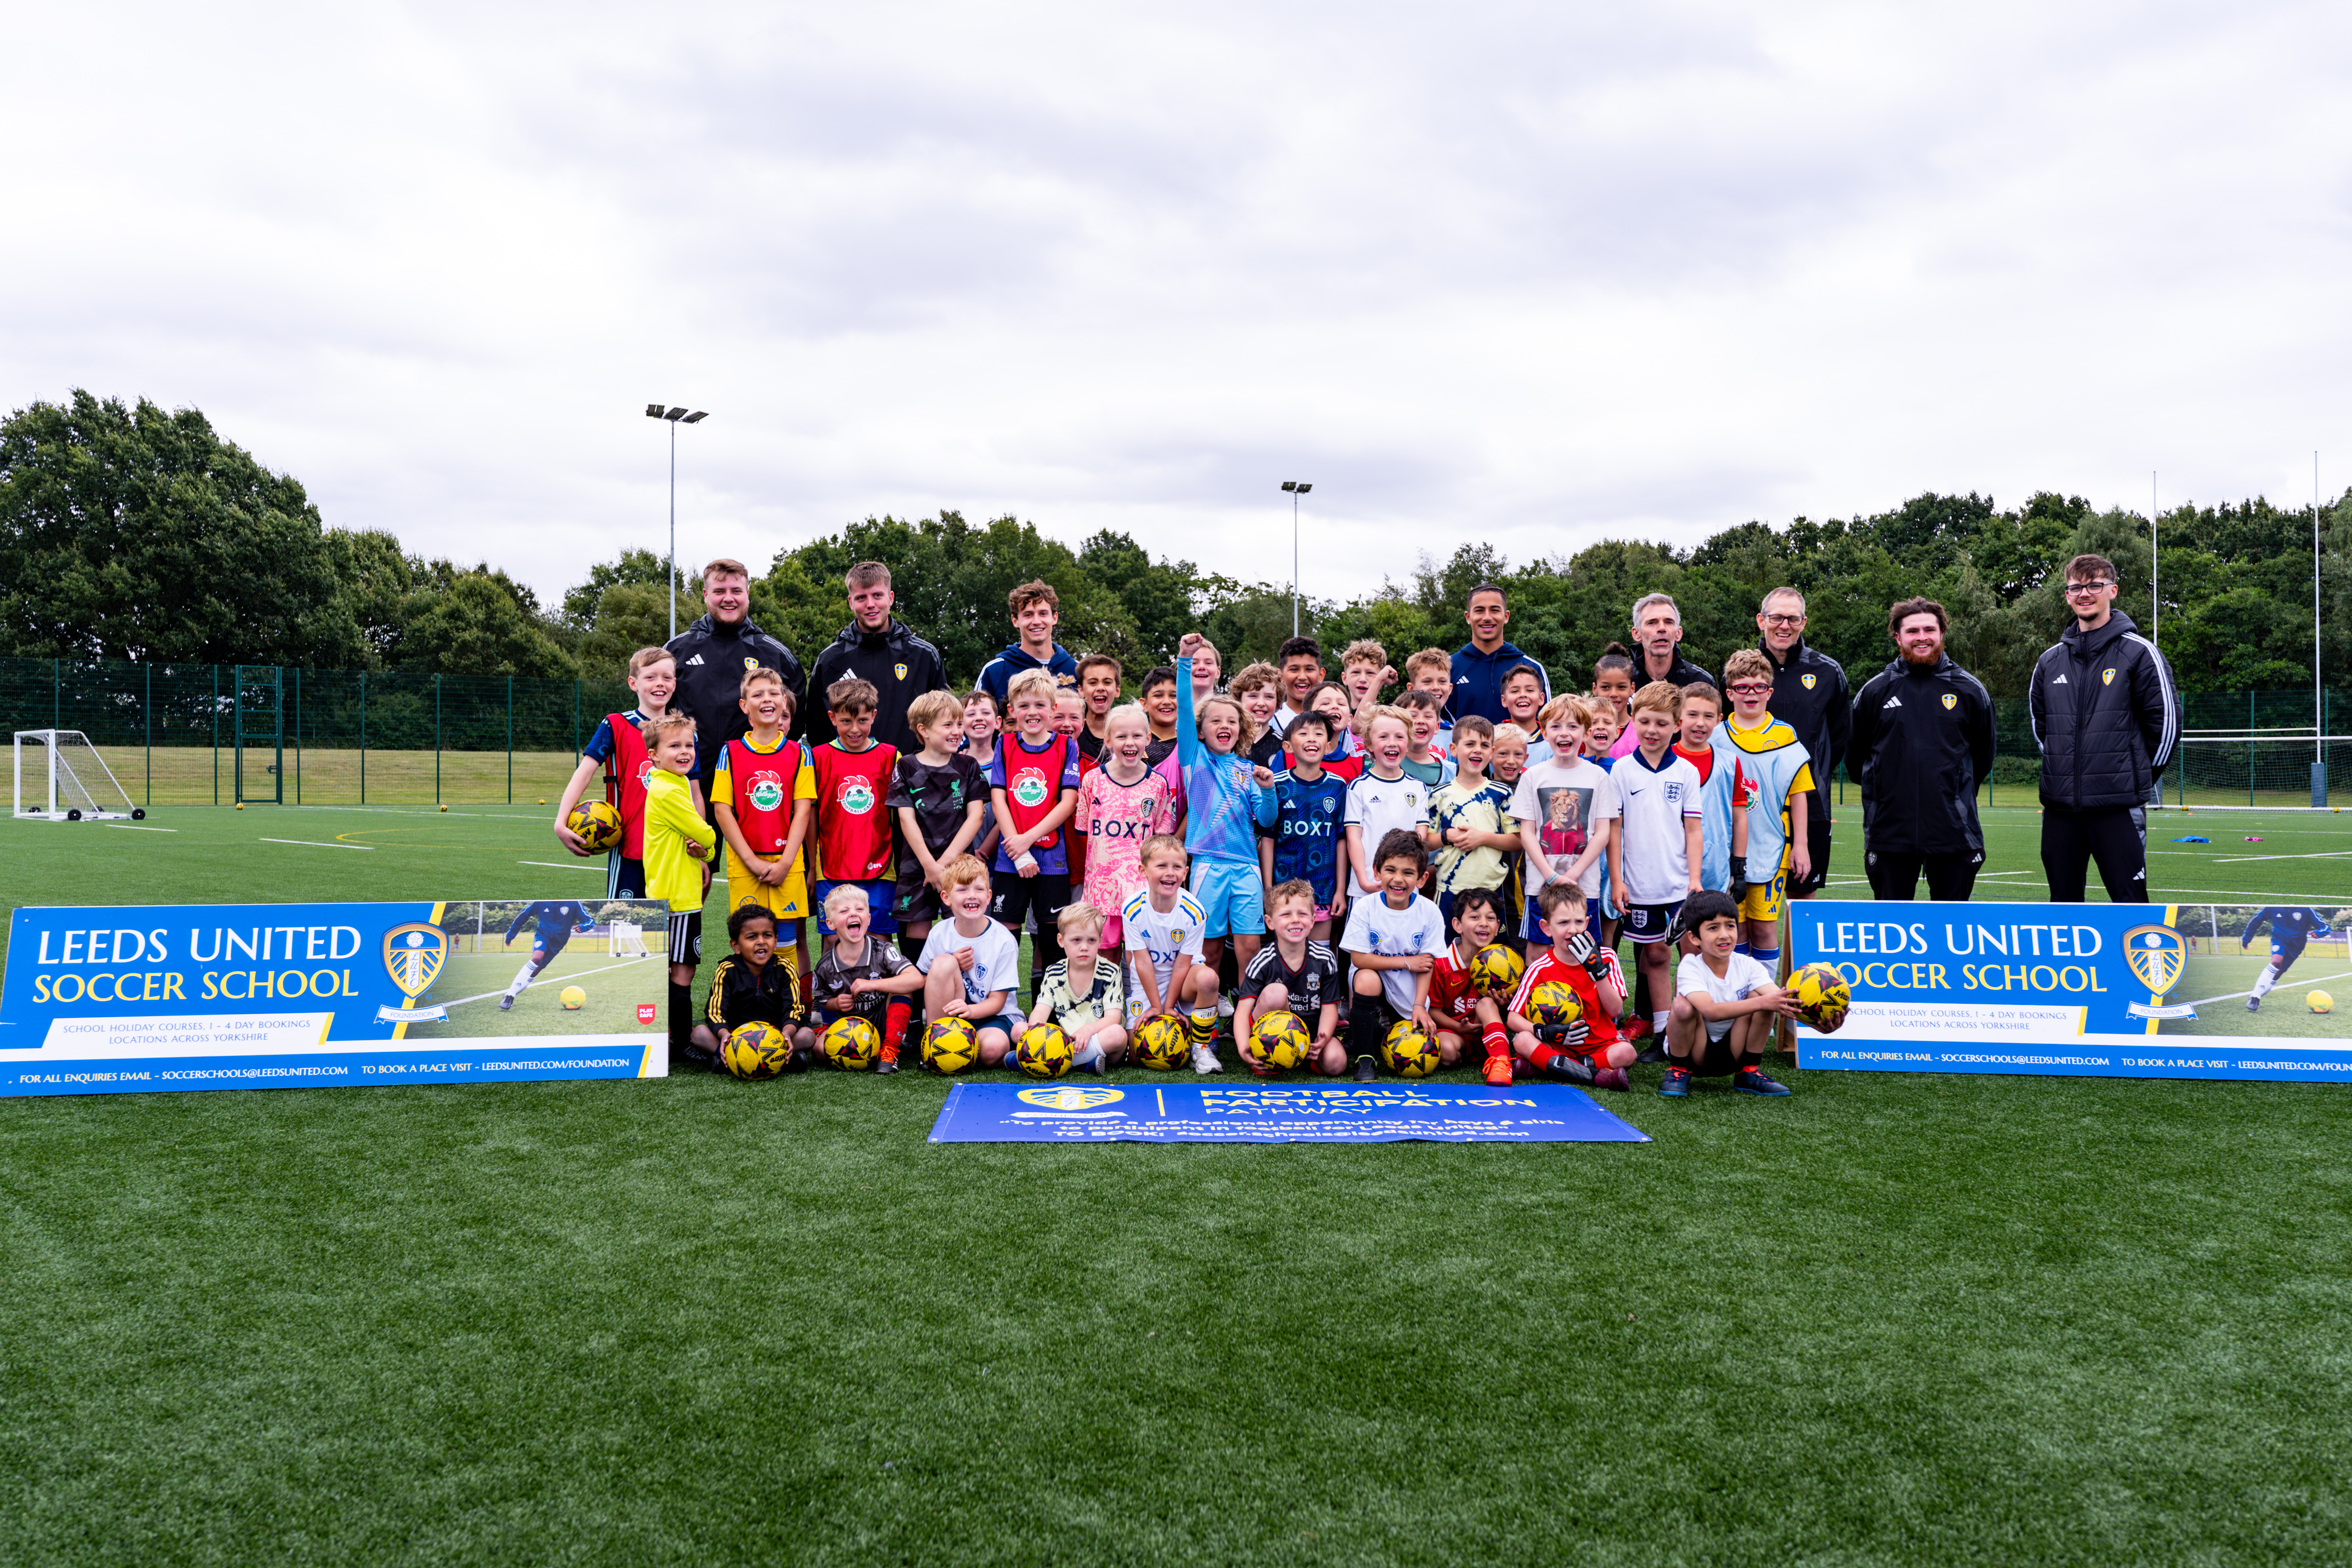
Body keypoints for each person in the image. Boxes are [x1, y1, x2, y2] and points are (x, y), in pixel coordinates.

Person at [2029, 553, 2180, 903]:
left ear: (2113, 590)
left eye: (2095, 585)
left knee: (2130, 904)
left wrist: (2134, 777)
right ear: (2067, 595)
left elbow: (2166, 728)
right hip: (2060, 808)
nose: (2085, 593)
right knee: (2063, 906)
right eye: (2076, 587)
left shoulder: (2140, 653)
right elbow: (2042, 728)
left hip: (2118, 806)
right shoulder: (2049, 661)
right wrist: (2067, 771)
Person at [1849, 597, 1997, 902]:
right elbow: (1855, 761)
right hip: (1889, 834)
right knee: (1892, 927)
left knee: (1952, 927)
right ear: (1898, 637)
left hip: (1954, 834)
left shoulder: (1970, 690)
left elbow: (1983, 758)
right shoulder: (1875, 691)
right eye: (1912, 631)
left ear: (1942, 633)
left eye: (1929, 630)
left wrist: (1952, 794)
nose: (1922, 637)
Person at [1174, 635, 1276, 1006]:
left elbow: (1267, 819)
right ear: (1200, 730)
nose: (1225, 725)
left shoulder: (1249, 770)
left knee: (1250, 947)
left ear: (1241, 729)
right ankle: (1208, 1011)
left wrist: (1268, 790)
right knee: (1210, 949)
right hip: (1207, 865)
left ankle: (1248, 1012)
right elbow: (1185, 707)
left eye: (1232, 721)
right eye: (1216, 720)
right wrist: (1185, 661)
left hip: (1247, 867)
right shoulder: (1194, 757)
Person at [710, 668, 817, 998]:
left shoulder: (801, 753)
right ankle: (751, 1010)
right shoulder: (730, 752)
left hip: (788, 865)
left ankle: (791, 1011)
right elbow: (723, 811)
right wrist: (751, 861)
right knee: (752, 942)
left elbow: (803, 811)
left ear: (784, 701)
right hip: (747, 866)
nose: (766, 700)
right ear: (745, 705)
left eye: (773, 693)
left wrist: (786, 862)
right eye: (757, 695)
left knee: (785, 944)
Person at [553, 645, 683, 898]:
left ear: (675, 684)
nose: (660, 683)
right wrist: (561, 821)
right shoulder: (615, 725)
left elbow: (694, 790)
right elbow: (584, 772)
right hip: (629, 848)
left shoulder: (684, 733)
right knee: (622, 919)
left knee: (670, 921)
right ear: (633, 683)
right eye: (651, 677)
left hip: (674, 849)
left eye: (667, 677)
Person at [1614, 682, 1705, 1039]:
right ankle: (1664, 1033)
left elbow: (1693, 829)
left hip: (1679, 883)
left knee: (1692, 956)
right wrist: (1618, 879)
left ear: (1677, 725)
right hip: (1639, 885)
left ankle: (1693, 1026)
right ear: (1633, 719)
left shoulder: (1686, 771)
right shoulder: (1621, 770)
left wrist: (1694, 878)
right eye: (1645, 721)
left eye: (1662, 723)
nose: (1652, 730)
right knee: (1654, 956)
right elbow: (1615, 830)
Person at [1747, 588, 1851, 900]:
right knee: (1746, 898)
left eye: (1793, 618)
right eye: (1777, 617)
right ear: (1761, 620)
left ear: (1803, 623)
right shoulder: (1741, 671)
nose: (1784, 625)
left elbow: (1840, 736)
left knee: (1802, 897)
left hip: (1812, 803)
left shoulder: (1828, 671)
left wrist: (1813, 774)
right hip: (1751, 804)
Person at [988, 669, 1083, 1005]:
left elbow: (1068, 802)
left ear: (1052, 708)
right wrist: (1018, 849)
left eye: (1040, 705)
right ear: (1011, 710)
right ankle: (1004, 1007)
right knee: (1005, 935)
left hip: (1052, 859)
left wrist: (1026, 841)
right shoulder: (1005, 743)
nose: (1032, 712)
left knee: (1052, 937)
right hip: (1010, 858)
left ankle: (1053, 1010)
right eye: (1024, 705)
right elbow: (999, 798)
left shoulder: (1066, 745)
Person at [1715, 649, 1814, 969]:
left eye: (1759, 687)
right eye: (1742, 687)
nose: (1751, 694)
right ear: (1729, 693)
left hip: (1771, 847)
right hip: (1725, 851)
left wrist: (1801, 844)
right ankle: (1738, 997)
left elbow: (1798, 793)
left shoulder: (1784, 734)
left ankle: (1764, 1000)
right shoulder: (1716, 736)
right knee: (1733, 929)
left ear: (1770, 692)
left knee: (1764, 929)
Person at [666, 558, 803, 787]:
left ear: (747, 594)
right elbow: (656, 713)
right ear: (706, 595)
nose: (728, 598)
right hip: (688, 785)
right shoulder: (676, 651)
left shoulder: (777, 655)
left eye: (736, 591)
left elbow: (796, 720)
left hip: (755, 787)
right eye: (719, 591)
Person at [1072, 702, 1181, 962]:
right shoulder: (1092, 781)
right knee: (1104, 959)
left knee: (1140, 959)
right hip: (1101, 891)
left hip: (1142, 893)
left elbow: (1161, 841)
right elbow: (1084, 833)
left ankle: (1138, 993)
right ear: (1109, 740)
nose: (1130, 743)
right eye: (1121, 736)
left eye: (1136, 736)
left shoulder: (1158, 785)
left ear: (1148, 739)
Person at [804, 561, 949, 753]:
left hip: (912, 770)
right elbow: (817, 732)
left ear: (891, 598)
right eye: (861, 598)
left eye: (877, 595)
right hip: (849, 772)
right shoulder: (829, 661)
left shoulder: (924, 656)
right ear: (851, 603)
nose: (870, 604)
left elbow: (944, 720)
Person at [887, 689, 989, 960]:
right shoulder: (906, 766)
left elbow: (976, 817)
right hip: (917, 865)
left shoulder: (968, 766)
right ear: (924, 730)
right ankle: (917, 988)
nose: (957, 731)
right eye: (948, 725)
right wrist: (930, 866)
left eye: (959, 724)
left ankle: (961, 987)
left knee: (962, 925)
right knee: (917, 929)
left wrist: (943, 865)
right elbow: (906, 819)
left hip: (960, 866)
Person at [1663, 889, 1794, 1098]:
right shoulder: (1690, 965)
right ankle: (1678, 1071)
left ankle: (1749, 1071)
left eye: (1730, 926)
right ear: (1695, 937)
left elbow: (1783, 1001)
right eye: (1713, 928)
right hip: (1695, 1053)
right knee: (1682, 1006)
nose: (1724, 934)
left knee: (1766, 999)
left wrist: (1820, 1022)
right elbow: (1711, 1012)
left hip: (1736, 1050)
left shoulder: (1748, 965)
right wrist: (1766, 1002)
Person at [639, 713, 715, 1069]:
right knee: (682, 972)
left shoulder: (674, 782)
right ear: (654, 755)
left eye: (689, 745)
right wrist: (707, 845)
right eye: (675, 746)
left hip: (673, 891)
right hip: (678, 896)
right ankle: (681, 1044)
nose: (685, 752)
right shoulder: (668, 789)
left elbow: (702, 845)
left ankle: (667, 1038)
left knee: (673, 969)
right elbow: (707, 834)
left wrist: (705, 851)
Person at [1341, 829, 1450, 1081]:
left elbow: (1426, 965)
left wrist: (1419, 1006)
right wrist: (1406, 962)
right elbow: (1359, 959)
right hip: (1373, 977)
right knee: (1367, 978)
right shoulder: (1366, 907)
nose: (1398, 879)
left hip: (1408, 988)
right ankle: (1365, 1059)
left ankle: (1369, 1032)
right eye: (1390, 870)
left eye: (1408, 873)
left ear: (1421, 879)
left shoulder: (1430, 912)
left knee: (1432, 1048)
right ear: (1377, 872)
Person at [1511, 695, 1621, 942]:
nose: (1564, 733)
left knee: (1585, 952)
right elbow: (1527, 834)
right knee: (1539, 951)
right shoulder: (1533, 776)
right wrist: (1552, 876)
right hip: (1541, 885)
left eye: (1573, 726)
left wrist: (1572, 876)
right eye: (1556, 726)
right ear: (1544, 732)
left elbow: (1603, 833)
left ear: (1586, 732)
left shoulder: (1598, 777)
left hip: (1584, 887)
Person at [1506, 885, 1629, 1088]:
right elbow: (1513, 1019)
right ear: (1546, 927)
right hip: (1557, 1045)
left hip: (1599, 1046)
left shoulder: (1607, 957)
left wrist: (1597, 972)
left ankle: (1548, 1067)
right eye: (1563, 922)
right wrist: (1545, 1032)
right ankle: (1594, 1076)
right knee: (1523, 1040)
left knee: (1626, 1053)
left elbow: (1615, 1011)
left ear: (1587, 923)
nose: (1572, 930)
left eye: (1579, 922)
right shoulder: (1540, 968)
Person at [808, 677, 900, 945]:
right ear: (832, 718)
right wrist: (812, 867)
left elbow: (901, 818)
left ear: (874, 716)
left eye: (862, 720)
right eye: (846, 721)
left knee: (880, 938)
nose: (855, 729)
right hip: (831, 866)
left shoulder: (891, 756)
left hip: (881, 866)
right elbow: (811, 816)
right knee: (833, 940)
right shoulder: (817, 757)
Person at [1120, 835, 1221, 1073]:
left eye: (1177, 867)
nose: (1170, 873)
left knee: (1209, 979)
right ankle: (1188, 1029)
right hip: (1147, 982)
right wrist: (1158, 1007)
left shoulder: (1195, 912)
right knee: (1135, 1056)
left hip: (1184, 980)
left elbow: (1182, 965)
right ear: (1143, 870)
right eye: (1162, 866)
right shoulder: (1132, 909)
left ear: (1186, 873)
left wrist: (1169, 1008)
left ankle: (1201, 1046)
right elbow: (1142, 962)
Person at [915, 855, 1026, 1069]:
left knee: (991, 1050)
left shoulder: (1003, 939)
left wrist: (971, 1011)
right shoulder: (939, 933)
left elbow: (998, 1001)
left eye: (979, 889)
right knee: (943, 963)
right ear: (946, 898)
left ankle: (1006, 1048)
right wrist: (953, 962)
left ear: (989, 896)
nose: (972, 896)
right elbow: (925, 980)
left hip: (994, 1016)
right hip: (954, 1013)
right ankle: (935, 1042)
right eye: (963, 890)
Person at [801, 882, 924, 1069]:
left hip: (884, 1024)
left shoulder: (883, 951)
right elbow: (825, 1002)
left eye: (859, 909)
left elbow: (916, 979)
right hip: (849, 1028)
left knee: (902, 988)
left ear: (868, 918)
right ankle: (864, 1051)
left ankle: (889, 1051)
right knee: (819, 1051)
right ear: (830, 924)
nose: (853, 914)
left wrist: (873, 985)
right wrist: (837, 1003)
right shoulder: (825, 966)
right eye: (844, 911)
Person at [1233, 880, 1347, 1076]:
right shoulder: (1263, 961)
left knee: (1336, 1062)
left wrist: (1323, 1039)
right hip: (1272, 1035)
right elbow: (1242, 1012)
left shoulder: (1325, 959)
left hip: (1310, 1033)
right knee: (1276, 993)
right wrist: (1244, 1047)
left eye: (1302, 914)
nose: (1295, 920)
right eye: (1286, 914)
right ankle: (1268, 1054)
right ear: (1270, 922)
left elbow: (1330, 1009)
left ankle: (1304, 1059)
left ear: (1313, 920)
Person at [1264, 709, 1349, 940]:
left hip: (1323, 891)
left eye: (1319, 734)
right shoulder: (1277, 785)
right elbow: (1268, 840)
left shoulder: (1338, 787)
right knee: (1287, 953)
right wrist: (1268, 889)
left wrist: (1340, 891)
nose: (1312, 738)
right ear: (1288, 747)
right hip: (1283, 891)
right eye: (1303, 733)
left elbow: (1341, 841)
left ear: (1328, 746)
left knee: (1320, 954)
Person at [1425, 716, 1517, 927]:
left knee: (1490, 947)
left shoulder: (1502, 793)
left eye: (1484, 745)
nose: (1478, 750)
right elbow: (1426, 842)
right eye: (1470, 744)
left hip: (1491, 890)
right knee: (1445, 946)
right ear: (1454, 749)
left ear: (1492, 753)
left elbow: (1518, 841)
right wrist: (1447, 836)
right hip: (1449, 888)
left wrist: (1482, 838)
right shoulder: (1439, 794)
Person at [695, 905, 806, 1070]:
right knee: (699, 1033)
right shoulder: (727, 970)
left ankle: (731, 1062)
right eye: (752, 937)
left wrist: (787, 1034)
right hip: (735, 1038)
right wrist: (724, 1034)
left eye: (767, 935)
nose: (761, 941)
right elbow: (715, 1012)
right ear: (736, 946)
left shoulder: (785, 967)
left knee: (807, 1035)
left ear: (776, 942)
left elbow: (795, 1009)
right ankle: (733, 1056)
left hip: (775, 1038)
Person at [1427, 886, 1516, 1085]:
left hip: (1489, 1031)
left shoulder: (1508, 962)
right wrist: (1460, 1027)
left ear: (1498, 926)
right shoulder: (1442, 963)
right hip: (1454, 1032)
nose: (1484, 923)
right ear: (1457, 925)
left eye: (1490, 918)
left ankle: (1502, 1062)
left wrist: (1504, 1007)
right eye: (1475, 917)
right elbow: (1434, 1011)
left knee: (1487, 1004)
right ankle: (1471, 1056)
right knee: (1446, 1051)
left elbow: (1511, 1013)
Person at [1027, 904, 1128, 1073]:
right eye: (1076, 940)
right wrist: (1034, 1030)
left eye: (1091, 940)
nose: (1084, 947)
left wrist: (1088, 1030)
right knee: (1019, 1030)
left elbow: (1113, 1018)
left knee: (1117, 1034)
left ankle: (1056, 1062)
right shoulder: (1053, 973)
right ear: (1061, 941)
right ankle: (1085, 1064)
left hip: (1099, 1038)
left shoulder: (1111, 972)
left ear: (1100, 940)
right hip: (1068, 1041)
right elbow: (1040, 1012)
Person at [1344, 706, 1430, 904]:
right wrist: (1364, 881)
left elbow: (1420, 839)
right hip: (1367, 889)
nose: (1392, 743)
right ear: (1369, 744)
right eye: (1383, 737)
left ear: (1408, 743)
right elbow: (1354, 839)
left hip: (1405, 889)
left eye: (1399, 737)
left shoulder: (1418, 788)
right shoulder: (1358, 787)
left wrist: (1410, 878)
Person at [1673, 683, 1750, 901]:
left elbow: (1739, 817)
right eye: (1693, 715)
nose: (1700, 722)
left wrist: (1739, 868)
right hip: (1670, 866)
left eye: (1708, 716)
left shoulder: (1729, 763)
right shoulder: (1664, 759)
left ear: (1719, 720)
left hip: (1716, 868)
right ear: (1679, 716)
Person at [1448, 583, 1552, 725]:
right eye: (1480, 611)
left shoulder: (1532, 667)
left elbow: (1547, 727)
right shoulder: (1448, 668)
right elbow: (1438, 727)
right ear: (1468, 617)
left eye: (1495, 610)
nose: (1487, 617)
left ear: (1506, 616)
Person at [976, 579, 1080, 707]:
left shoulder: (1078, 670)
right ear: (1015, 621)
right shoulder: (995, 671)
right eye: (1028, 615)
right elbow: (975, 716)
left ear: (1054, 618)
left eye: (1043, 614)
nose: (1036, 621)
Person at [495, 898, 590, 1012]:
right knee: (537, 958)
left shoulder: (574, 903)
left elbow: (589, 921)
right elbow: (523, 916)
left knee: (535, 971)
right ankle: (510, 996)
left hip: (559, 943)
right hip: (543, 935)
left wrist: (583, 927)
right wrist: (511, 934)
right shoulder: (541, 902)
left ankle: (512, 993)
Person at [2242, 907, 2334, 1011]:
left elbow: (2325, 927)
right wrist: (2246, 939)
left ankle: (2258, 995)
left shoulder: (2306, 909)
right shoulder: (2272, 907)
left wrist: (2319, 932)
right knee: (2276, 962)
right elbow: (2256, 921)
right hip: (2279, 940)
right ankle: (2255, 997)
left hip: (2297, 947)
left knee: (2277, 974)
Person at [1627, 593, 1714, 692]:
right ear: (1637, 634)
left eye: (1669, 622)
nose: (1662, 628)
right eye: (1652, 623)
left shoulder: (1702, 682)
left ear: (1678, 633)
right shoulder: (1623, 682)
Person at [1271, 636, 1327, 737]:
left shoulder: (1334, 723)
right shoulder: (1268, 724)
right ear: (1280, 676)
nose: (1302, 677)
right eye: (1294, 670)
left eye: (1309, 669)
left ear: (1321, 675)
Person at [1074, 654, 1124, 761]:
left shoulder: (1127, 733)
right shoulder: (1071, 731)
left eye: (1107, 682)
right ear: (1081, 690)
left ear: (1117, 690)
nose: (1100, 688)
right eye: (1093, 683)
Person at [1339, 640, 1395, 715]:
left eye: (1370, 673)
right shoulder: (1338, 716)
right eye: (1356, 672)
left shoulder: (1388, 717)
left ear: (1382, 678)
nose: (1363, 680)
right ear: (1345, 678)